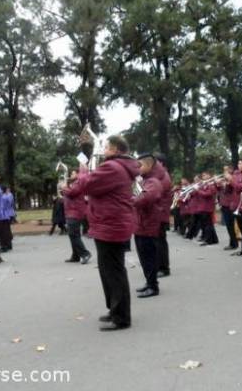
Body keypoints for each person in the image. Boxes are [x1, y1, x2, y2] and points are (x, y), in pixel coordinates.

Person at [74, 135, 139, 331]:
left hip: (111, 225)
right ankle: (114, 309)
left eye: (107, 147)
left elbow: (86, 185)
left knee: (113, 272)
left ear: (117, 150)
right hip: (110, 224)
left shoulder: (112, 167)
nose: (104, 150)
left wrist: (83, 171)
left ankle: (121, 317)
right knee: (109, 270)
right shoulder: (118, 166)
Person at [134, 154, 163, 298]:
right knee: (143, 257)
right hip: (140, 224)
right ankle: (148, 282)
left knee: (149, 258)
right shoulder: (144, 181)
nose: (137, 168)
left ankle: (153, 286)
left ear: (149, 166)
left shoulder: (154, 182)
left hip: (149, 225)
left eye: (140, 165)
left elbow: (143, 200)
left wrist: (129, 197)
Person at [62, 169, 92, 264]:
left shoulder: (79, 182)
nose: (71, 174)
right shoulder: (73, 183)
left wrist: (64, 188)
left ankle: (85, 253)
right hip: (71, 211)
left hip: (75, 212)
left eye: (73, 173)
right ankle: (75, 255)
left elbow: (72, 193)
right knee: (74, 234)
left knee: (73, 234)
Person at [154, 154, 173, 278]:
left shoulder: (163, 177)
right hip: (158, 213)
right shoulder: (159, 176)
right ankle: (159, 265)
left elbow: (156, 193)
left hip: (160, 213)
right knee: (157, 241)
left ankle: (164, 267)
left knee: (160, 241)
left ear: (161, 163)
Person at [195, 171, 219, 246]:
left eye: (205, 175)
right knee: (208, 224)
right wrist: (197, 186)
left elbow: (207, 194)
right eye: (203, 176)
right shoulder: (205, 184)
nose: (203, 177)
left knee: (208, 224)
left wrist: (198, 190)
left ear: (209, 176)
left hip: (208, 207)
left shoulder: (211, 184)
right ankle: (214, 239)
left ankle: (208, 240)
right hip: (203, 206)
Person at [219, 166, 238, 251]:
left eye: (226, 170)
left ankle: (234, 243)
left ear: (230, 170)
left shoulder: (232, 179)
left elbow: (228, 190)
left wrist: (226, 182)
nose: (224, 172)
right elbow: (219, 190)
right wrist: (218, 183)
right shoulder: (225, 179)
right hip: (224, 204)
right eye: (224, 170)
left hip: (230, 204)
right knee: (228, 226)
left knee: (231, 225)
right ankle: (232, 243)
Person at [0, 186, 15, 252]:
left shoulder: (2, 197)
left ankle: (4, 246)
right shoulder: (8, 196)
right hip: (7, 214)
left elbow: (1, 207)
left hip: (2, 215)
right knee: (7, 230)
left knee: (3, 231)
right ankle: (9, 244)